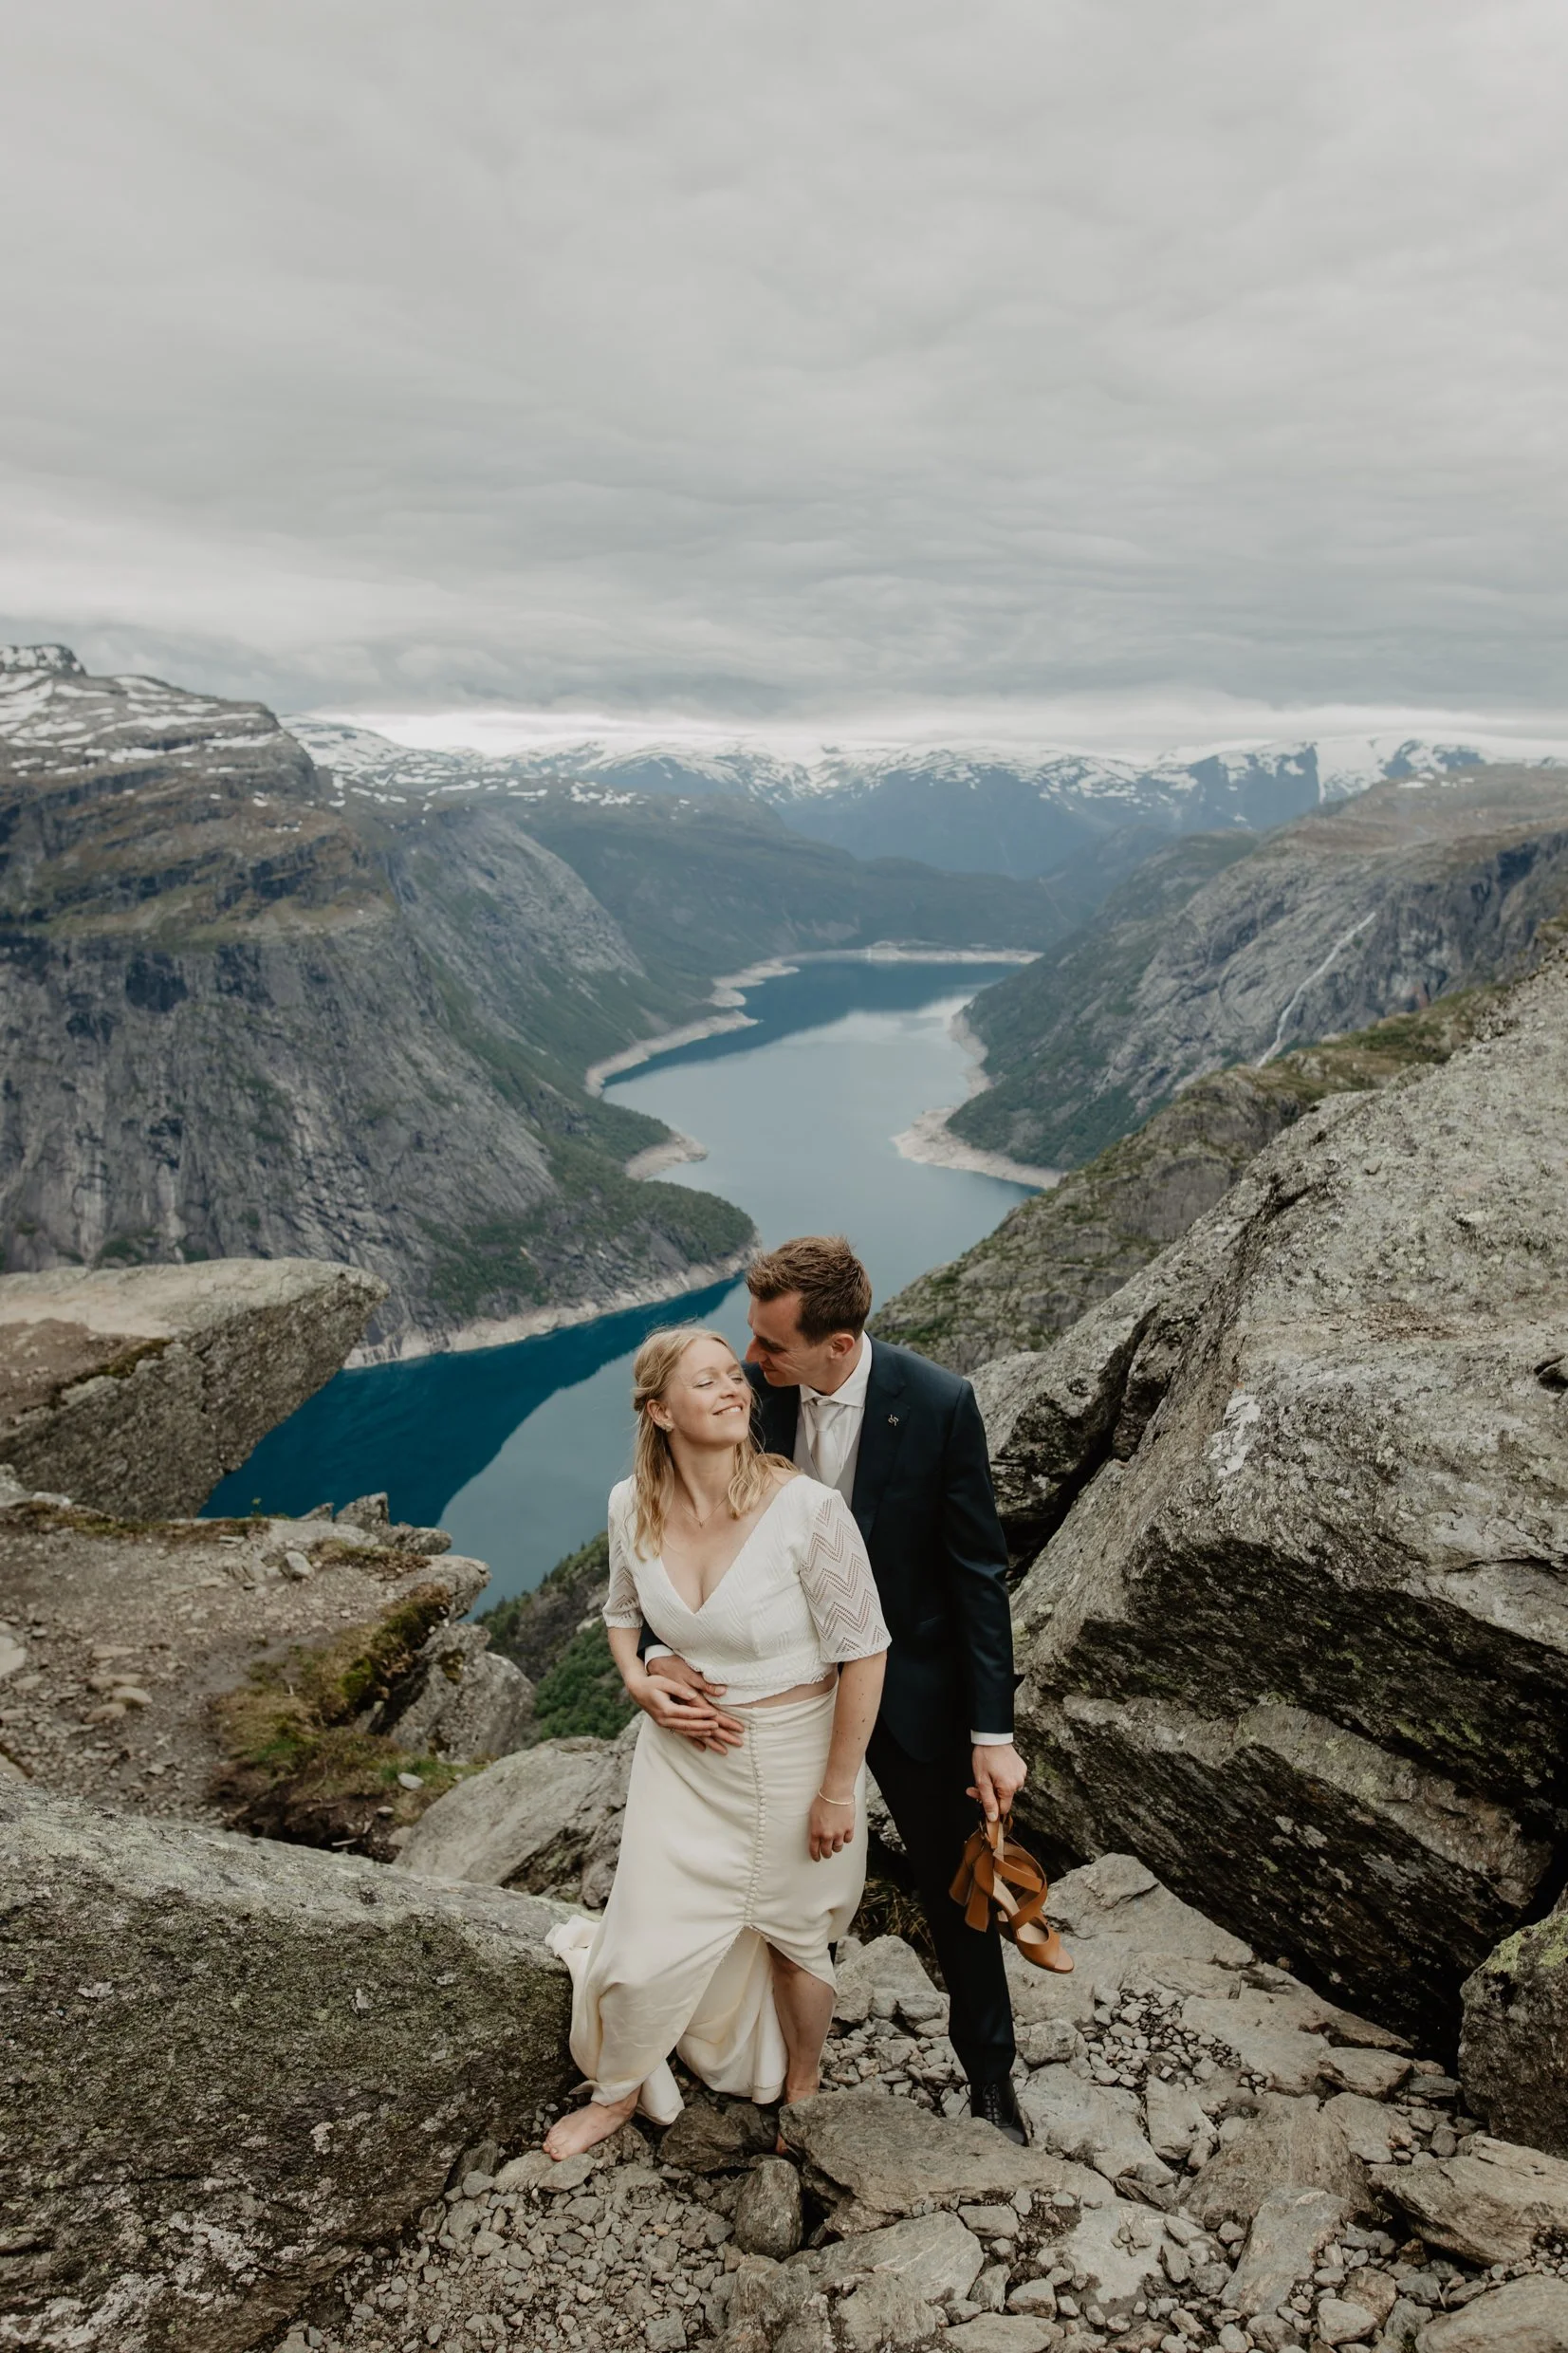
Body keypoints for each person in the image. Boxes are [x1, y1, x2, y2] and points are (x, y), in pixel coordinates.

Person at [641, 1234, 1038, 2144]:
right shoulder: (753, 1397)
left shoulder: (938, 1404)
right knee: (769, 1873)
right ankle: (765, 2058)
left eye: (769, 1343)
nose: (748, 1359)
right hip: (776, 1694)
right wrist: (658, 1652)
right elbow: (681, 1522)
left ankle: (989, 2079)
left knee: (956, 1889)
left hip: (910, 1694)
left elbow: (977, 1576)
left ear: (840, 1345)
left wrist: (991, 1733)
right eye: (751, 1337)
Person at [542, 1325, 890, 2160]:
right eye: (706, 1382)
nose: (734, 1389)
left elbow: (866, 1651)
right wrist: (640, 1677)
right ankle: (618, 2091)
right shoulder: (629, 1504)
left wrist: (836, 1789)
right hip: (683, 1764)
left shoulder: (808, 1510)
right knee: (639, 1944)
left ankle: (800, 2089)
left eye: (734, 1376)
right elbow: (622, 1613)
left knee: (796, 1940)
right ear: (660, 1411)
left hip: (798, 1758)